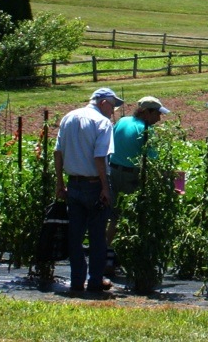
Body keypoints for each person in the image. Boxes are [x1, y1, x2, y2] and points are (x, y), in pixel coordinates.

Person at [54, 87, 124, 292]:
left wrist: (59, 183)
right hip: (94, 185)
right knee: (97, 237)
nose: (113, 112)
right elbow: (99, 157)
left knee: (75, 236)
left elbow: (58, 152)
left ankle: (77, 281)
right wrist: (105, 187)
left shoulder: (69, 117)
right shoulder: (102, 122)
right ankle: (94, 281)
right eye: (112, 106)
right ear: (103, 103)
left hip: (73, 184)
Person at [105, 96, 170, 273]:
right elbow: (153, 161)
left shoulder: (122, 121)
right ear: (147, 113)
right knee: (133, 216)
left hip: (113, 171)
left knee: (115, 217)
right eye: (157, 113)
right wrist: (168, 178)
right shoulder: (146, 130)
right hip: (131, 176)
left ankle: (106, 255)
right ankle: (127, 255)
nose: (159, 118)